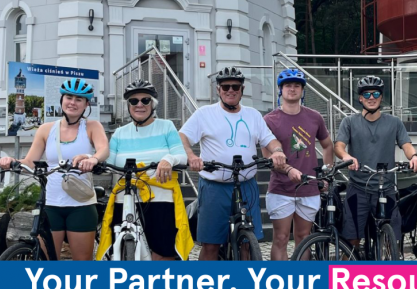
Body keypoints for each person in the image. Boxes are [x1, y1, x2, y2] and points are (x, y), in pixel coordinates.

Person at [179, 67, 287, 260]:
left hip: (246, 184)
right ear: (218, 90)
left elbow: (270, 140)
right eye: (225, 87)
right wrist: (191, 156)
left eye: (235, 87)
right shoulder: (205, 113)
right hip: (215, 186)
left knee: (246, 245)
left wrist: (277, 151)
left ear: (242, 89)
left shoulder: (253, 115)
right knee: (211, 245)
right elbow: (182, 137)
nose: (231, 90)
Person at [0, 78, 109, 260]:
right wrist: (11, 161)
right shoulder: (46, 129)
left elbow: (103, 149)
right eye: (69, 97)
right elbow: (30, 162)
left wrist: (92, 159)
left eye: (78, 99)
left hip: (80, 204)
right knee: (48, 260)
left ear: (86, 104)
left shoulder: (92, 126)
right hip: (50, 204)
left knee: (83, 263)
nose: (72, 102)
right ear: (62, 100)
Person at [97, 79, 192, 261]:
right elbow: (106, 162)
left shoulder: (166, 127)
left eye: (145, 100)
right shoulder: (119, 133)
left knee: (163, 252)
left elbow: (182, 156)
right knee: (118, 248)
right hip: (124, 196)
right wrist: (91, 160)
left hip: (160, 196)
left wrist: (168, 159)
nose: (139, 104)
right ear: (128, 106)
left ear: (153, 104)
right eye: (134, 101)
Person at [335, 76, 417, 250]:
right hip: (358, 189)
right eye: (366, 94)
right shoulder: (349, 122)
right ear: (360, 98)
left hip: (386, 188)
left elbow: (406, 145)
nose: (371, 97)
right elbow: (339, 146)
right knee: (351, 241)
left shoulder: (394, 122)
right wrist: (346, 157)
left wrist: (414, 157)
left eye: (376, 93)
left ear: (381, 97)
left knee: (390, 241)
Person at [262, 69, 334, 260]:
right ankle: (280, 283)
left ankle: (301, 282)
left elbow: (327, 145)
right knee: (281, 238)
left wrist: (326, 173)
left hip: (309, 187)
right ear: (280, 90)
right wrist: (287, 170)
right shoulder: (269, 120)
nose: (292, 89)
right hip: (281, 188)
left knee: (304, 238)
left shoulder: (314, 117)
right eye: (288, 85)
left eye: (297, 86)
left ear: (303, 91)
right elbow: (268, 157)